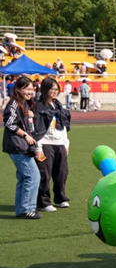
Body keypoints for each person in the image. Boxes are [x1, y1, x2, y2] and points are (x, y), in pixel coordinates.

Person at [2, 76, 42, 219]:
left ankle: (21, 209)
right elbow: (9, 123)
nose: (30, 92)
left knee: (24, 177)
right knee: (33, 176)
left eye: (32, 89)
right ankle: (27, 209)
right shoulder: (14, 104)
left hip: (22, 146)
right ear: (18, 89)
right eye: (27, 89)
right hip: (17, 146)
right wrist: (25, 135)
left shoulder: (25, 104)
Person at [35, 78, 71, 213]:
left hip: (59, 144)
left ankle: (60, 198)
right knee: (44, 173)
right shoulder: (38, 106)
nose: (55, 92)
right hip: (45, 144)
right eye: (52, 89)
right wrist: (38, 147)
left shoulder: (58, 105)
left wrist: (65, 143)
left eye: (57, 89)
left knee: (62, 172)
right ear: (45, 90)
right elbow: (36, 129)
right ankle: (43, 202)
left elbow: (63, 126)